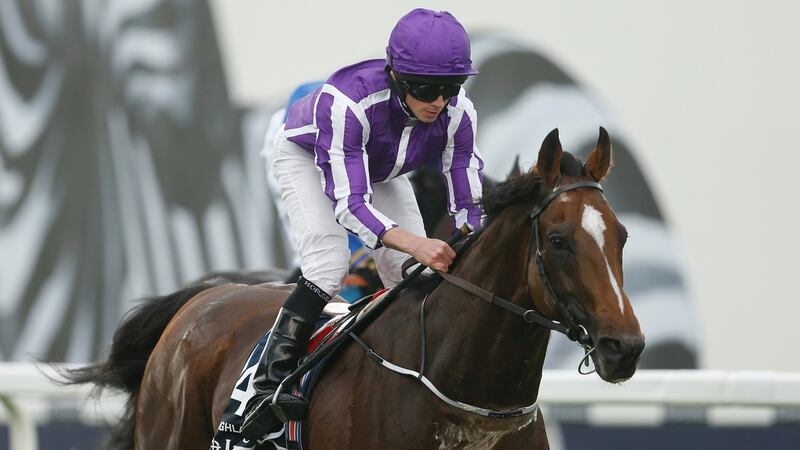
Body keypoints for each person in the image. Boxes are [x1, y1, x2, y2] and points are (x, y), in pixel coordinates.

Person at [242, 8, 484, 437]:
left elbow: (466, 197)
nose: (439, 102)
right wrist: (418, 243)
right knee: (329, 264)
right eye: (427, 88)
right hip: (306, 158)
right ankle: (265, 385)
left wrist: (474, 244)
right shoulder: (348, 100)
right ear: (395, 75)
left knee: (405, 270)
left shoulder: (459, 113)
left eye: (450, 88)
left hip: (377, 167)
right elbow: (350, 206)